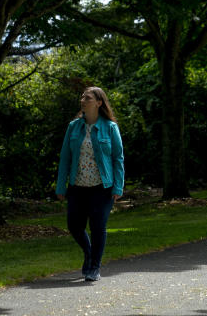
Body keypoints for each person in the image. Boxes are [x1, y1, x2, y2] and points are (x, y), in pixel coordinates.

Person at [56, 87, 125, 281]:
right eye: (82, 97)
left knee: (97, 226)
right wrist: (61, 186)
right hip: (77, 187)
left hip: (102, 187)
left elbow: (118, 158)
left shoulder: (110, 127)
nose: (83, 100)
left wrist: (118, 186)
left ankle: (95, 267)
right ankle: (89, 253)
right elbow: (65, 158)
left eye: (88, 97)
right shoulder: (73, 127)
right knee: (74, 226)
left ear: (99, 103)